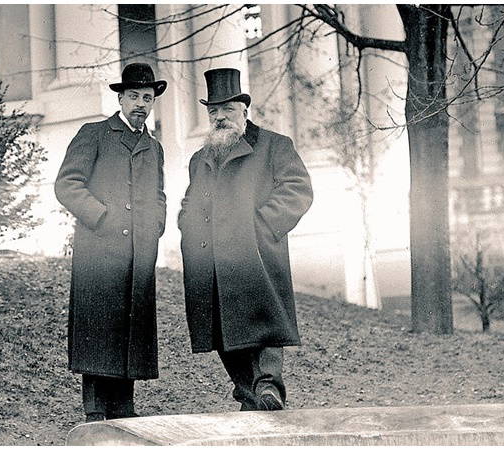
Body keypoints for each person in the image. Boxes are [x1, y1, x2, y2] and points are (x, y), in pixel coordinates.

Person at [177, 68, 313, 411]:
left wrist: (262, 226)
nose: (220, 117)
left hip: (255, 251)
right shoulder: (200, 158)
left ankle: (268, 386)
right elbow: (190, 201)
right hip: (211, 258)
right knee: (223, 329)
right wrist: (188, 226)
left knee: (265, 321)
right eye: (214, 111)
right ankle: (249, 394)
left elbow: (298, 190)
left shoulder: (274, 145)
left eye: (228, 109)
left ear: (244, 110)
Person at [54, 63, 167, 422]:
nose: (140, 104)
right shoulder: (95, 134)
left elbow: (159, 195)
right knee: (98, 325)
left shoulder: (154, 147)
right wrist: (101, 217)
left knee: (130, 325)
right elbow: (67, 184)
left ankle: (123, 404)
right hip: (99, 249)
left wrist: (155, 226)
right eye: (134, 96)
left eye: (147, 98)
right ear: (120, 98)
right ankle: (96, 407)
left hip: (138, 252)